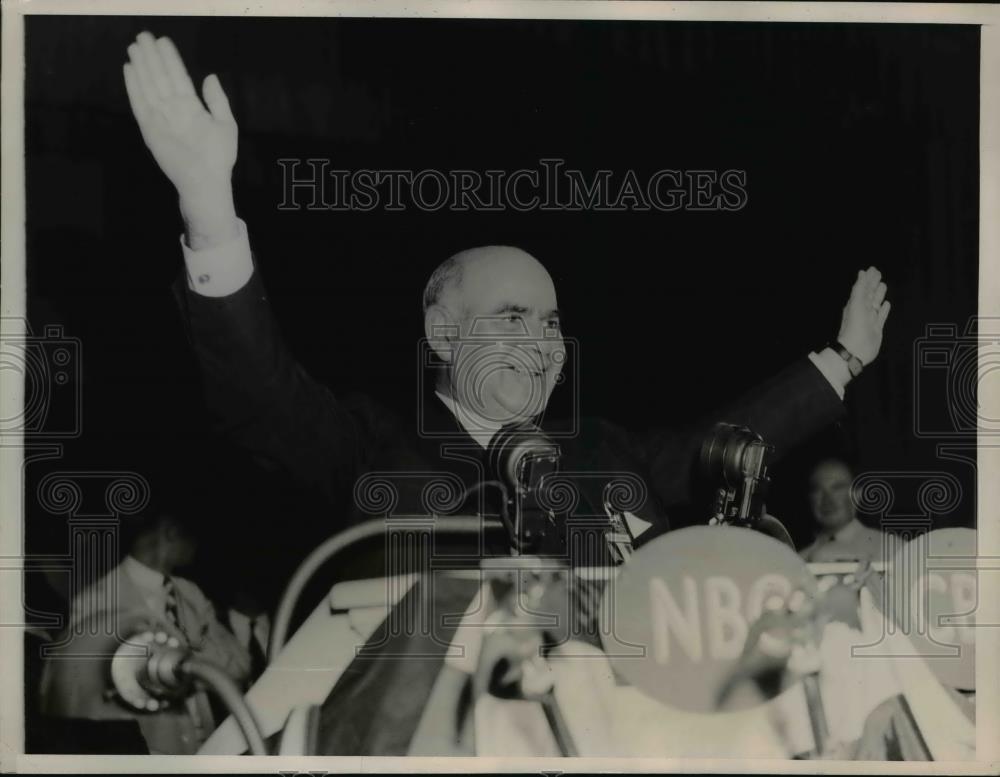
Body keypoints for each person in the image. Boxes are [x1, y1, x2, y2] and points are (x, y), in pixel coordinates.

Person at [121, 31, 892, 755]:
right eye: (511, 316)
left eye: (551, 320)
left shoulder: (606, 449)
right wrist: (207, 206)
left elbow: (723, 447)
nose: (541, 338)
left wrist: (845, 359)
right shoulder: (373, 448)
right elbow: (260, 395)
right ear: (445, 334)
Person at [38, 503, 251, 755]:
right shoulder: (95, 603)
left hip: (209, 748)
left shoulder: (191, 594)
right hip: (147, 753)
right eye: (194, 540)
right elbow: (86, 702)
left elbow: (239, 666)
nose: (196, 550)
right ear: (171, 532)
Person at [799, 458, 892, 563]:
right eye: (818, 490)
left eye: (837, 488)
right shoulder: (797, 559)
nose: (827, 500)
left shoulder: (890, 549)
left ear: (856, 495)